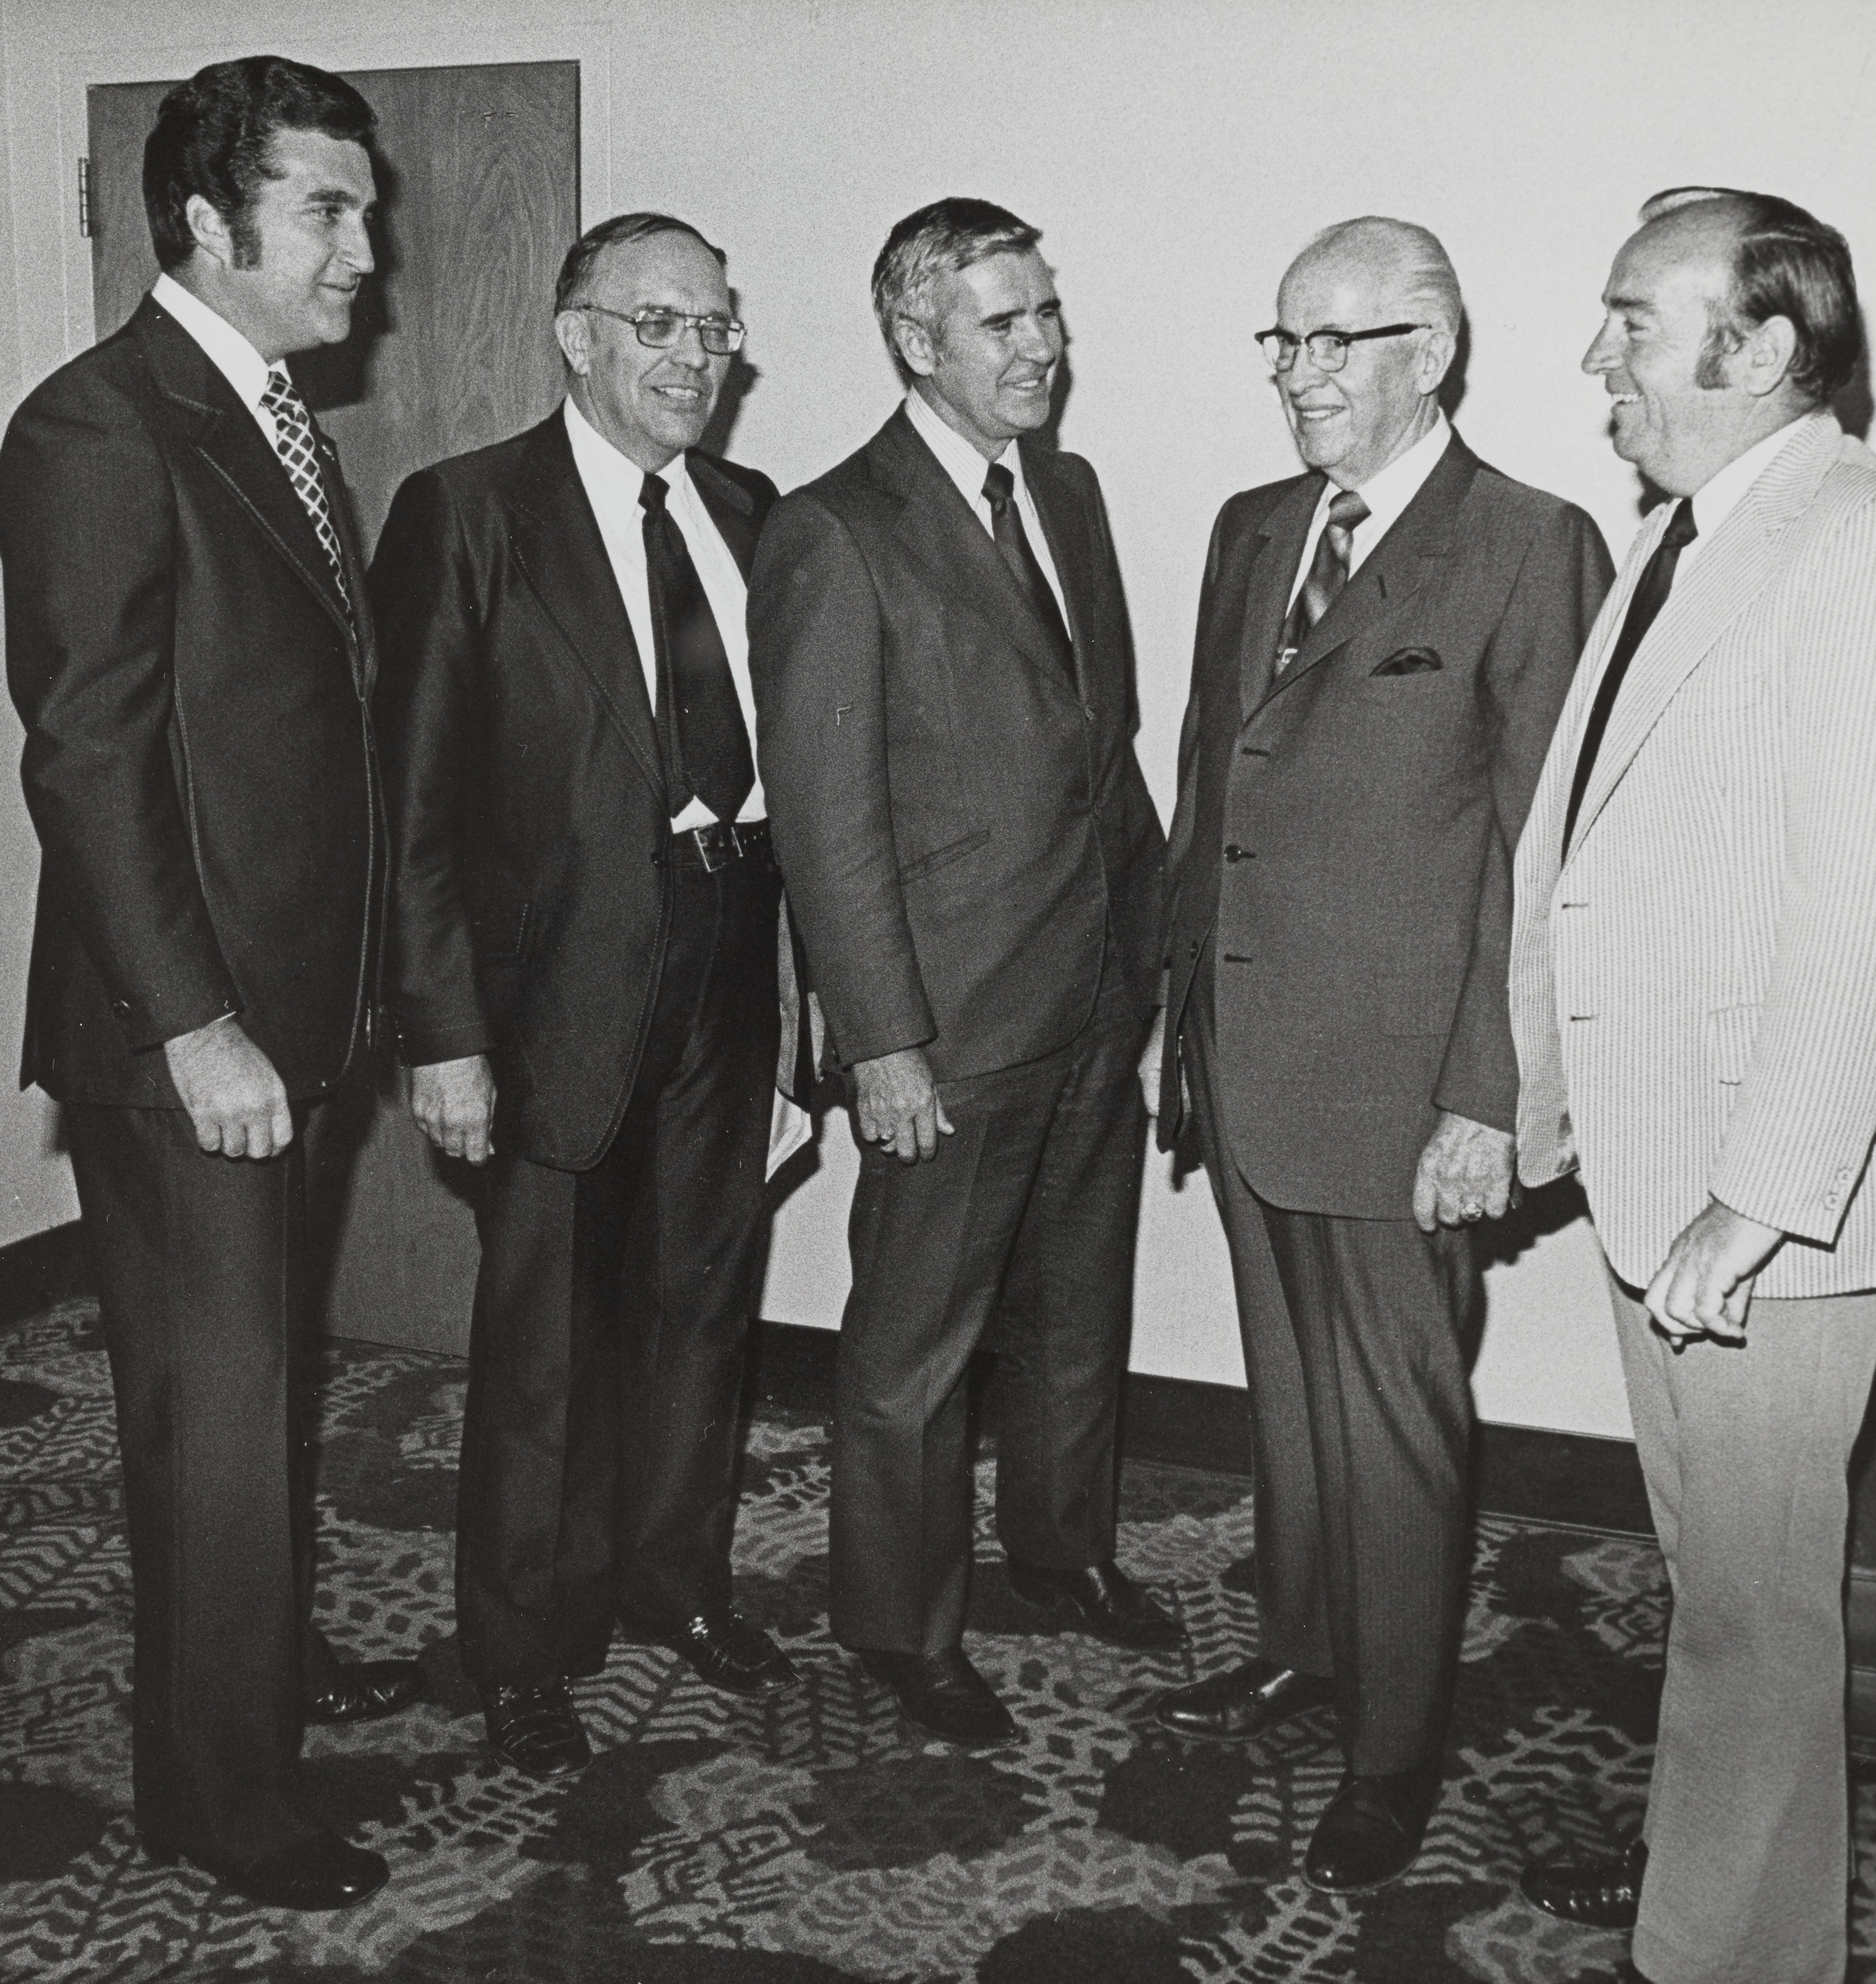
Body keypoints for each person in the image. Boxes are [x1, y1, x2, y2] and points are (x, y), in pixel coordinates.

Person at [1509, 188, 1876, 1984]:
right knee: (1718, 1589)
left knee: (1753, 1612)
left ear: (1762, 346)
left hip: (1774, 1202)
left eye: (1633, 319)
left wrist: (1757, 1193)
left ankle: (1718, 1959)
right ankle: (1702, 1889)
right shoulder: (1692, 534)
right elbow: (1595, 848)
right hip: (1679, 1174)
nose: (1596, 356)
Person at [0, 55, 423, 1913]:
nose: (365, 248)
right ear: (204, 225)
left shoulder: (260, 413)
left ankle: (243, 1685)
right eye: (327, 210)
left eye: (362, 205)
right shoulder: (100, 427)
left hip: (287, 1014)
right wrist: (192, 1024)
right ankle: (219, 1800)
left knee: (254, 1394)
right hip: (193, 1036)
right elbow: (86, 754)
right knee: (219, 1410)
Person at [1143, 218, 1611, 1891]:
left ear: (1433, 353)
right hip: (1246, 1048)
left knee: (1399, 1421)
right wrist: (1172, 1022)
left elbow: (1541, 857)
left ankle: (1393, 1745)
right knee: (1290, 1398)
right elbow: (1215, 789)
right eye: (1282, 343)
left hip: (1410, 1085)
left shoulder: (1528, 545)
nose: (1300, 378)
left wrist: (1490, 1096)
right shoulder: (1251, 529)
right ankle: (1300, 1649)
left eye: (1337, 343)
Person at [372, 212, 800, 1783]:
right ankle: (523, 1645)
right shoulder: (469, 513)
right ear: (576, 336)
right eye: (659, 323)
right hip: (550, 987)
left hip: (726, 959)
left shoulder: (753, 513)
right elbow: (409, 806)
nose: (696, 356)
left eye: (714, 326)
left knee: (697, 1303)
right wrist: (442, 1034)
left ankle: (671, 1584)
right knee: (545, 1333)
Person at [748, 197, 1174, 1748]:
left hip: (1086, 1001)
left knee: (1075, 1316)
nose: (1045, 345)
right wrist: (882, 1043)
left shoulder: (1068, 492)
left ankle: (1063, 1558)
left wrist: (1158, 960)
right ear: (917, 341)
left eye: (1048, 311)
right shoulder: (834, 528)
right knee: (914, 1349)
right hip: (943, 1024)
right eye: (1007, 321)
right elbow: (825, 817)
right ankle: (899, 1632)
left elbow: (1100, 754)